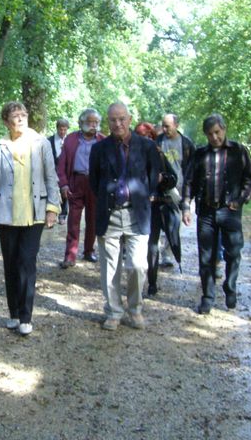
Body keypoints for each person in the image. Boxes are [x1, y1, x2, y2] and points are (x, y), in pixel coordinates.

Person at [0, 101, 61, 336]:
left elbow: (51, 177)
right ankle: (14, 313)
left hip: (34, 215)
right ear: (6, 121)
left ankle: (26, 316)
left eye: (23, 114)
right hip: (6, 215)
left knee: (27, 262)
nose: (20, 119)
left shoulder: (41, 143)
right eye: (15, 116)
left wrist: (52, 208)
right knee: (10, 264)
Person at [89, 102, 161, 331]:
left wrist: (142, 196)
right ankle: (113, 312)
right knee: (110, 268)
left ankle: (135, 309)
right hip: (109, 213)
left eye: (122, 119)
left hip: (136, 213)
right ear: (107, 122)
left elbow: (153, 177)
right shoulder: (99, 149)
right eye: (113, 120)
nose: (118, 123)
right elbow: (94, 182)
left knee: (137, 265)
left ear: (130, 119)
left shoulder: (147, 146)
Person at [182, 113, 251, 314]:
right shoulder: (200, 154)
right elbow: (189, 181)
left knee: (234, 252)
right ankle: (207, 297)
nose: (214, 137)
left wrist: (240, 200)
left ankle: (230, 286)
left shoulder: (238, 151)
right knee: (206, 256)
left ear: (224, 129)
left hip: (230, 210)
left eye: (217, 132)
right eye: (210, 134)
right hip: (206, 212)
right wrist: (186, 206)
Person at [57, 108, 105, 269]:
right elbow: (61, 164)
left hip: (95, 184)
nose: (94, 125)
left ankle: (89, 251)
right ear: (81, 122)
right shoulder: (70, 139)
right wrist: (63, 184)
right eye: (90, 122)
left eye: (96, 122)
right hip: (76, 181)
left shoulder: (103, 140)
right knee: (73, 220)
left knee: (93, 219)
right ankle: (70, 256)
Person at [135, 122, 178, 296]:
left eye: (148, 137)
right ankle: (136, 282)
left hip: (155, 207)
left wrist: (162, 178)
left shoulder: (159, 154)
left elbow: (173, 178)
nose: (145, 140)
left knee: (152, 244)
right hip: (135, 207)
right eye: (141, 137)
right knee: (136, 246)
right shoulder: (128, 154)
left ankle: (152, 283)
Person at [157, 113, 196, 269]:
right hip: (162, 189)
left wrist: (189, 192)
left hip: (180, 190)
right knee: (160, 221)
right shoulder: (158, 142)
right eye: (163, 126)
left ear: (176, 125)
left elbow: (192, 168)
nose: (164, 129)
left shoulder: (186, 144)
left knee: (174, 223)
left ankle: (167, 253)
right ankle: (158, 253)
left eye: (167, 126)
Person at [48, 118, 70, 224]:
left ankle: (63, 215)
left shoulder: (69, 140)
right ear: (57, 128)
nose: (62, 132)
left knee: (64, 192)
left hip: (65, 171)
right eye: (61, 129)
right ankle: (51, 215)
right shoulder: (49, 141)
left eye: (65, 130)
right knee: (52, 192)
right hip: (52, 170)